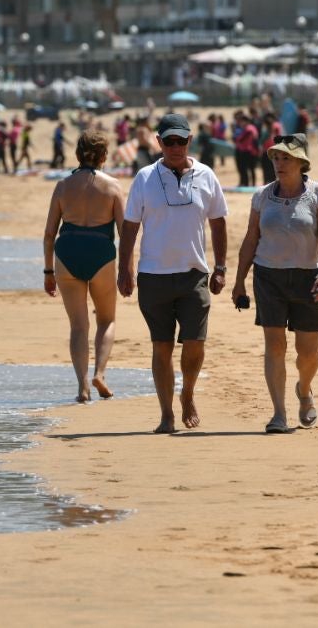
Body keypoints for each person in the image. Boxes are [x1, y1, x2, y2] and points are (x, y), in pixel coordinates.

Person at [118, 113, 229, 434]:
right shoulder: (144, 178)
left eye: (181, 141)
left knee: (195, 342)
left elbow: (218, 221)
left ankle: (188, 394)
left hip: (194, 273)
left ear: (190, 141)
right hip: (153, 275)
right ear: (159, 142)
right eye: (169, 141)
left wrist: (220, 267)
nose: (176, 147)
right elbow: (129, 227)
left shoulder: (207, 175)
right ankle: (166, 414)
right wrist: (125, 268)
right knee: (162, 346)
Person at [231, 133, 318, 434]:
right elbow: (251, 238)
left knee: (308, 354)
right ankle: (279, 414)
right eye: (275, 157)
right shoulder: (262, 196)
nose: (278, 163)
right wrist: (239, 281)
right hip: (269, 276)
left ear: (301, 162)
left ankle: (304, 389)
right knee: (274, 346)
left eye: (285, 158)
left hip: (308, 278)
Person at [43, 130, 128, 404]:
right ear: (104, 156)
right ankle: (100, 374)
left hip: (67, 253)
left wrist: (47, 272)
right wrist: (128, 269)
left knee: (78, 325)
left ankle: (82, 387)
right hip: (100, 252)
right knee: (107, 319)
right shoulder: (113, 187)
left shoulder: (62, 186)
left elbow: (48, 234)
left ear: (77, 154)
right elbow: (125, 232)